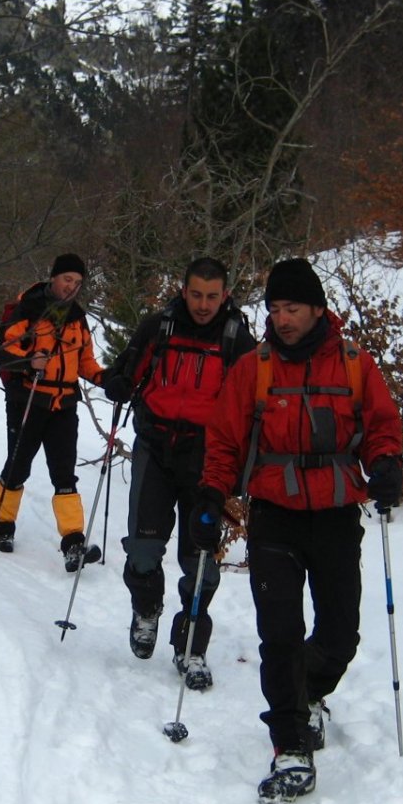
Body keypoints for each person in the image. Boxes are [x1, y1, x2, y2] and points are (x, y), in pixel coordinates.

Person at [192, 257, 403, 804]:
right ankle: (290, 743)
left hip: (336, 513)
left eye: (292, 308)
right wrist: (213, 494)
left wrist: (385, 463)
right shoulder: (255, 369)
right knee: (280, 633)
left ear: (317, 309)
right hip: (274, 515)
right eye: (275, 309)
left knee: (341, 635)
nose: (282, 319)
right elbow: (223, 439)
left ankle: (308, 693)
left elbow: (381, 423)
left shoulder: (355, 364)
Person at [100, 256, 255, 691]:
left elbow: (251, 406)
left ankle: (191, 647)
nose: (203, 304)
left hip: (208, 460)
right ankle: (146, 610)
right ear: (183, 290)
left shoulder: (237, 341)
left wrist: (243, 468)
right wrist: (118, 382)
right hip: (155, 448)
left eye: (212, 296)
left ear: (224, 295)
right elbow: (127, 369)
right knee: (145, 548)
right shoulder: (158, 328)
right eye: (196, 294)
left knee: (200, 560)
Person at [0, 253, 108, 570]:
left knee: (64, 473)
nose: (71, 286)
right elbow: (3, 347)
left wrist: (106, 378)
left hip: (64, 404)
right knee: (18, 465)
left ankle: (73, 543)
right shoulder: (29, 308)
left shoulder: (78, 318)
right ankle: (2, 527)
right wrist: (29, 361)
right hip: (28, 398)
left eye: (78, 282)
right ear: (53, 277)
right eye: (67, 279)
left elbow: (86, 362)